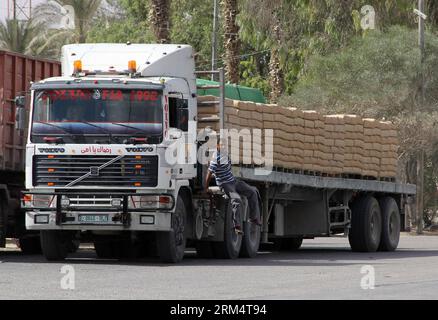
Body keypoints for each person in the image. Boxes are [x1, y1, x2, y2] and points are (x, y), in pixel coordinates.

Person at [204, 137, 262, 234]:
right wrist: (205, 187)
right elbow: (209, 173)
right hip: (225, 184)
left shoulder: (226, 154)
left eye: (225, 145)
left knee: (252, 192)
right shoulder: (216, 157)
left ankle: (253, 218)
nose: (223, 147)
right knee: (237, 200)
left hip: (233, 181)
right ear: (217, 146)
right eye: (221, 145)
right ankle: (237, 226)